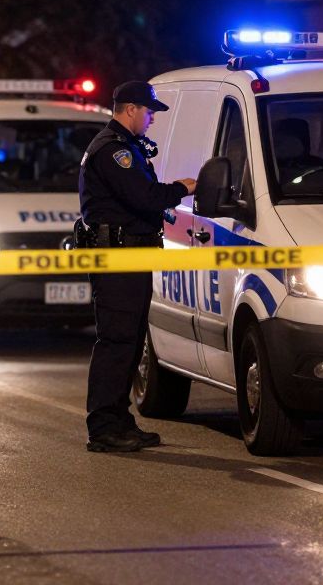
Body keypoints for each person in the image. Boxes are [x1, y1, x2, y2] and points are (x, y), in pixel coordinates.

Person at [76, 81, 196, 453]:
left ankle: (119, 419)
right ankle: (103, 427)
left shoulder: (124, 147)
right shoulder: (114, 151)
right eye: (148, 112)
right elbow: (144, 196)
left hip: (130, 257)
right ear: (131, 109)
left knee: (129, 340)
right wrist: (183, 187)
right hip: (118, 260)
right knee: (117, 342)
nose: (151, 120)